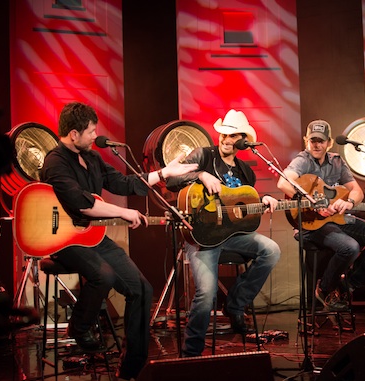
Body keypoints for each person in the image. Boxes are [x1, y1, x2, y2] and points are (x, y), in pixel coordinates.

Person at [41, 102, 198, 380]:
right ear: (74, 134)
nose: (95, 136)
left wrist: (163, 174)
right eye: (91, 132)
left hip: (91, 236)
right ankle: (78, 326)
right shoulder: (55, 161)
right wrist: (123, 211)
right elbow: (83, 204)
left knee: (142, 289)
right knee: (103, 275)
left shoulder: (91, 158)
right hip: (63, 239)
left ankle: (132, 368)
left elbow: (122, 183)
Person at [165, 109, 281, 357]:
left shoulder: (244, 171)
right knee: (206, 294)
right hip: (203, 238)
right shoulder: (203, 156)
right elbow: (171, 181)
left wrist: (265, 199)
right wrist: (200, 174)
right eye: (224, 135)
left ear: (241, 140)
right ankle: (191, 355)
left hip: (233, 236)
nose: (226, 140)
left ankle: (236, 304)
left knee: (271, 250)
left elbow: (243, 201)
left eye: (232, 136)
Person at [277, 120, 365, 311]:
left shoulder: (337, 161)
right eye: (313, 140)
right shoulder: (302, 160)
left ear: (329, 143)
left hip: (336, 219)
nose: (316, 144)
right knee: (350, 247)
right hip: (311, 224)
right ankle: (324, 289)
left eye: (321, 141)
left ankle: (347, 284)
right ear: (306, 140)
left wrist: (348, 202)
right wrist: (313, 203)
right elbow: (283, 183)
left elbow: (357, 191)